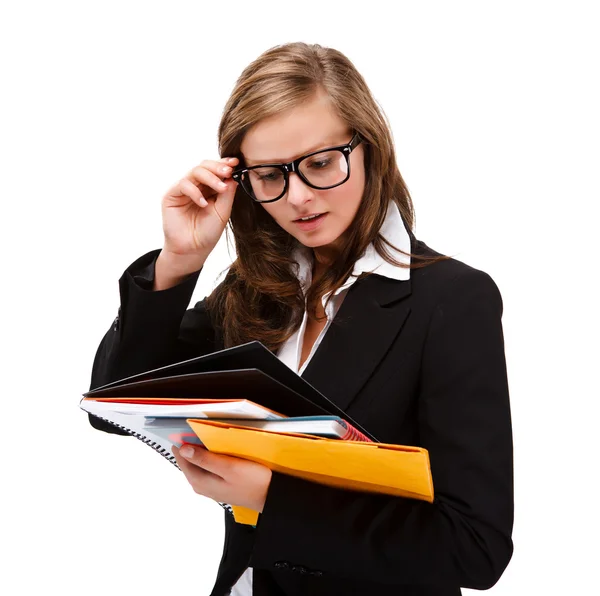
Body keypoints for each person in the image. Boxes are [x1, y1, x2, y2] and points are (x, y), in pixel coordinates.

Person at [88, 42, 514, 596]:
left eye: (319, 164)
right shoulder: (256, 290)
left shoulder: (452, 301)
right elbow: (115, 404)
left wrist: (274, 500)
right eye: (270, 176)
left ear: (370, 149)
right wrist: (179, 263)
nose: (299, 198)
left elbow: (474, 550)